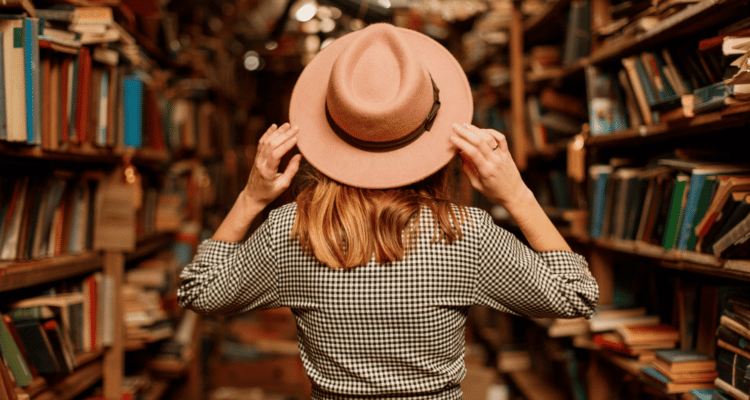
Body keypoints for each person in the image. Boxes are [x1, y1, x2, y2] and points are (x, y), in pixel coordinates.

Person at [177, 23, 598, 400]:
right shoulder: (464, 233)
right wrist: (517, 194)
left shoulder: (292, 231)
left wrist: (252, 197)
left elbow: (199, 292)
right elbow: (577, 294)